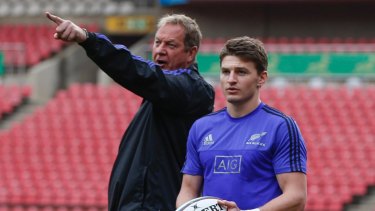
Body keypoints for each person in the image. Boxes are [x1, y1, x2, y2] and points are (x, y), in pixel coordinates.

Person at [45, 12, 215, 210]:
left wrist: (87, 39)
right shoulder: (162, 92)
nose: (160, 50)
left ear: (191, 53)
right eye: (157, 42)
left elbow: (140, 73)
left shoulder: (191, 89)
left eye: (171, 45)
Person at [176, 36, 307, 211]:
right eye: (225, 71)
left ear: (261, 78)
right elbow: (188, 189)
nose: (231, 79)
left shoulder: (281, 127)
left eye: (241, 72)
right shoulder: (201, 127)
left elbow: (296, 197)